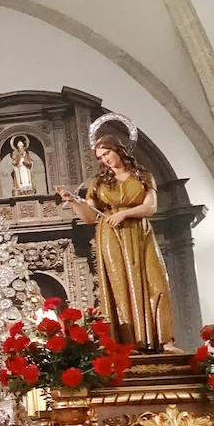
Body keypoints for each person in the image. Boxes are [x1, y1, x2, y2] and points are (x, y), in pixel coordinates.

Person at [56, 113, 173, 351]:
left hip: (139, 233)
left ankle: (165, 341)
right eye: (100, 157)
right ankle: (129, 343)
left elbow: (151, 207)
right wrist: (74, 201)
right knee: (120, 287)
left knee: (157, 283)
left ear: (118, 149)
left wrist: (124, 214)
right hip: (111, 236)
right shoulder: (99, 183)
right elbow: (90, 217)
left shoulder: (143, 176)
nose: (105, 160)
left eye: (107, 153)